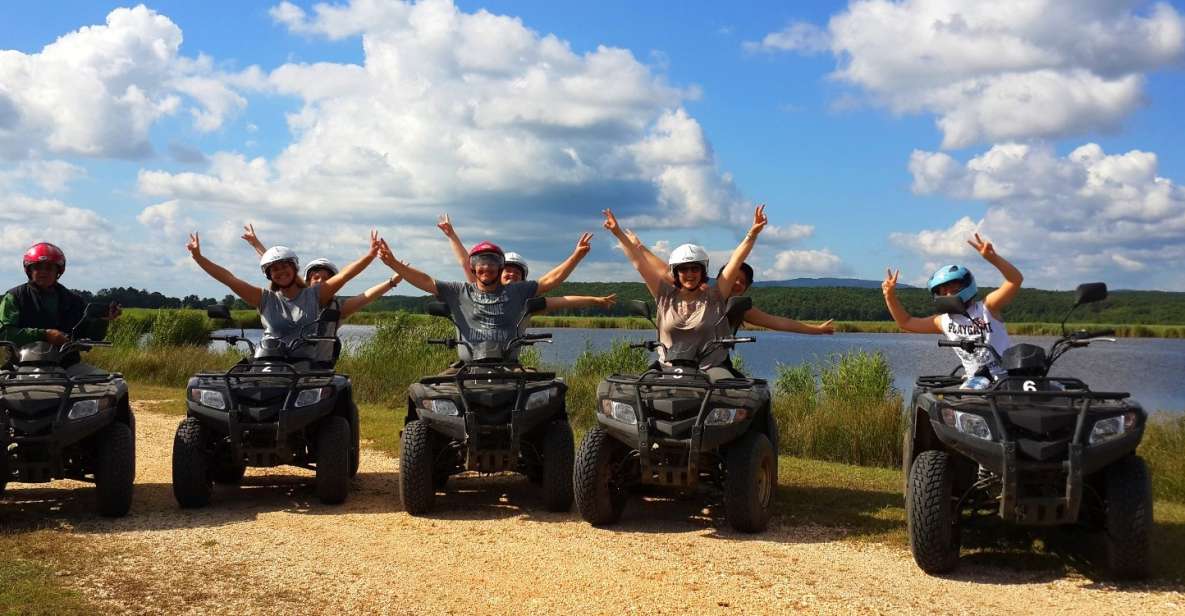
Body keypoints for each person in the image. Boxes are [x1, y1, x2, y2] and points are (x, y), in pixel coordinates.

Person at [376, 233, 596, 367]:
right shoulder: (459, 291)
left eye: (492, 262)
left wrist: (576, 256)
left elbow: (550, 280)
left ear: (499, 267)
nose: (486, 267)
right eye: (481, 262)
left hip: (509, 365)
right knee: (425, 400)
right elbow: (425, 280)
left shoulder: (518, 292)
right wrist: (394, 263)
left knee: (549, 401)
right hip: (467, 365)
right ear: (473, 267)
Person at [602, 205, 766, 381]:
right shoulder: (664, 296)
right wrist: (617, 233)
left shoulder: (715, 296)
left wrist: (753, 233)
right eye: (684, 269)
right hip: (667, 368)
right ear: (676, 273)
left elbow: (736, 260)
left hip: (710, 368)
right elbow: (638, 263)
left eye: (695, 269)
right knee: (639, 393)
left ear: (703, 271)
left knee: (732, 394)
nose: (689, 274)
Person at [187, 230, 381, 367]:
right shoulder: (264, 299)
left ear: (294, 268)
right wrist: (199, 258)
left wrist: (370, 255)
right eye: (274, 269)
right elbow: (229, 279)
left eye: (284, 266)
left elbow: (344, 275)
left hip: (305, 365)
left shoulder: (314, 295)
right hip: (268, 362)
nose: (280, 272)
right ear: (269, 275)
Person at [615, 227, 836, 335]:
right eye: (734, 279)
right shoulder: (700, 291)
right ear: (721, 277)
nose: (737, 284)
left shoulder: (737, 307)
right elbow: (664, 270)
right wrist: (638, 246)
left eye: (743, 283)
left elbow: (777, 322)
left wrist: (816, 329)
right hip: (675, 362)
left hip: (713, 363)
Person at [882, 232, 1023, 380]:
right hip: (975, 382)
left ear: (967, 286)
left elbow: (1014, 280)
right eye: (944, 292)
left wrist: (993, 258)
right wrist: (889, 296)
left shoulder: (988, 308)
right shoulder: (943, 321)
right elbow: (905, 322)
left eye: (954, 290)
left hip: (1004, 378)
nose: (949, 295)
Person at [435, 213, 616, 310]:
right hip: (473, 357)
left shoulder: (524, 301)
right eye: (507, 270)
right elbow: (466, 262)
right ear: (497, 270)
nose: (512, 274)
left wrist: (594, 299)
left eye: (517, 272)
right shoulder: (477, 289)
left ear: (523, 278)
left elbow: (562, 299)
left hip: (508, 359)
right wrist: (451, 235)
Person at [0, 243, 121, 375]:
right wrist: (45, 335)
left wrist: (102, 320)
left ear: (58, 271)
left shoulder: (74, 300)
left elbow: (90, 336)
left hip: (67, 366)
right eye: (38, 267)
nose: (43, 272)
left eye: (49, 268)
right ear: (29, 270)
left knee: (111, 385)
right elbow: (5, 333)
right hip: (20, 366)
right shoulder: (14, 297)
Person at [240, 223, 403, 317]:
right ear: (307, 281)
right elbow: (278, 268)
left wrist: (392, 282)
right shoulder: (291, 298)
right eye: (316, 277)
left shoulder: (338, 309)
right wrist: (256, 244)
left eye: (327, 279)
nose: (321, 282)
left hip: (318, 369)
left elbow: (366, 296)